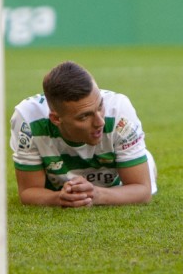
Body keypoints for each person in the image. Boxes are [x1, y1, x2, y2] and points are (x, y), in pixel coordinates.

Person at [10, 61, 158, 207]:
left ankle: (141, 157)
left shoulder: (119, 111)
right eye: (84, 116)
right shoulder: (28, 120)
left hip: (116, 185)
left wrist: (96, 195)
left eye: (100, 106)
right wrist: (58, 198)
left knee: (144, 166)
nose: (100, 122)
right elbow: (28, 191)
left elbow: (142, 190)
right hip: (61, 185)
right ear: (56, 118)